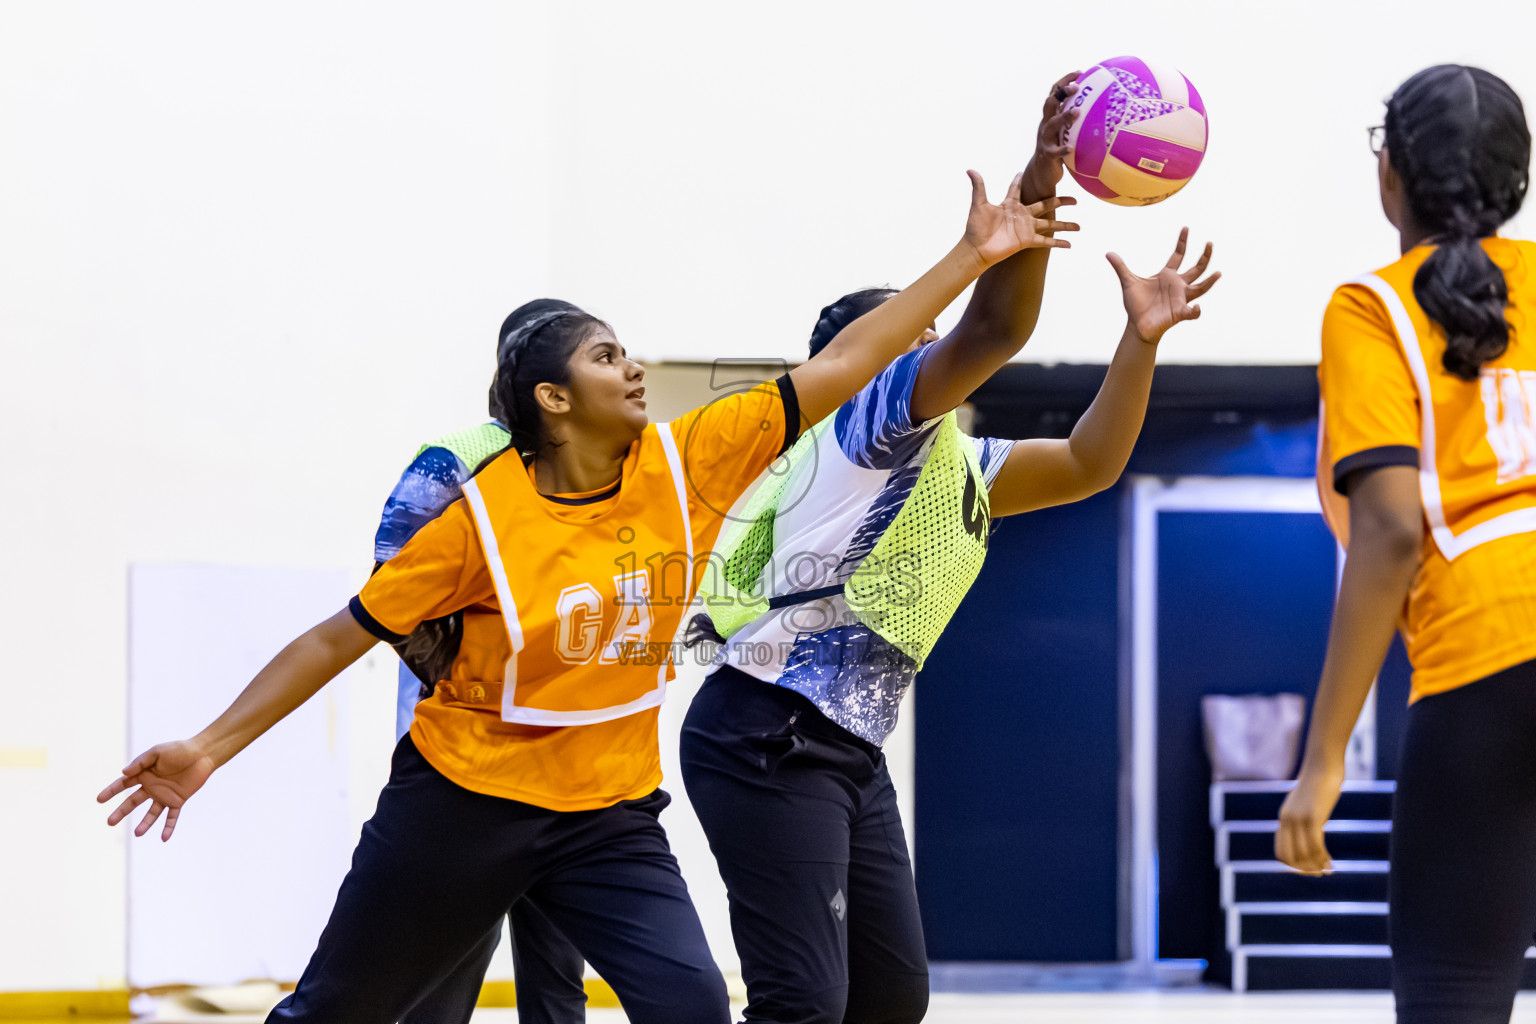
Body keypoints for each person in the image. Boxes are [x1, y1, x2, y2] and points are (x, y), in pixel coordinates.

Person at [96, 171, 1077, 1024]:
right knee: (352, 1004)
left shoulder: (691, 462)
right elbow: (335, 638)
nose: (634, 366)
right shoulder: (483, 520)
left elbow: (846, 363)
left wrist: (970, 252)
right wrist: (208, 748)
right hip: (464, 799)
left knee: (691, 1005)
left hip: (607, 812)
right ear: (552, 398)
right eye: (607, 357)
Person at [679, 76, 1219, 1024]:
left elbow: (1092, 461)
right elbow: (996, 328)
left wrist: (1138, 342)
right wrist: (1045, 168)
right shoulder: (855, 426)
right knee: (803, 1002)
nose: (933, 342)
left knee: (891, 998)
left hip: (843, 744)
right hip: (765, 731)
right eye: (915, 334)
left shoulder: (956, 466)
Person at [1275, 65, 1536, 1024]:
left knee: (1456, 996)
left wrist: (1325, 757)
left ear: (1388, 173)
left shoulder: (1373, 308)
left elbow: (1386, 531)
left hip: (1490, 653)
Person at [375, 299, 589, 1024]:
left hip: (571, 756)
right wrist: (474, 684)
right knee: (448, 953)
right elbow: (391, 587)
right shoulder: (459, 457)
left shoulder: (606, 466)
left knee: (558, 967)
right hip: (466, 754)